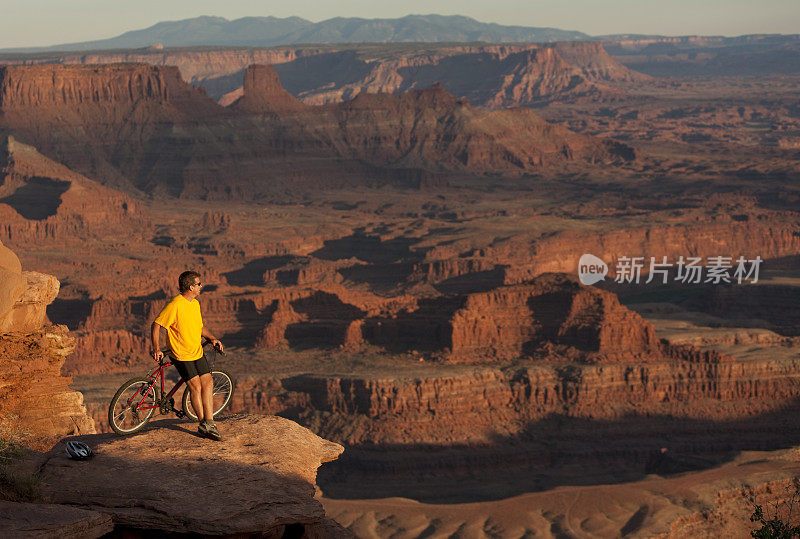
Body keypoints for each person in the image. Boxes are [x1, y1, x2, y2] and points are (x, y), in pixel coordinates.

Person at [151, 270, 224, 441]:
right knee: (196, 386)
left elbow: (199, 328)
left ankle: (210, 422)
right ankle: (202, 424)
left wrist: (212, 338)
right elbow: (156, 325)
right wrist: (156, 348)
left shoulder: (194, 304)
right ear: (191, 287)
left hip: (196, 351)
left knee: (209, 382)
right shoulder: (175, 305)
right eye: (199, 284)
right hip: (181, 354)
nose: (201, 286)